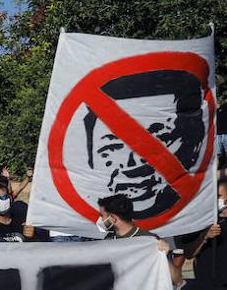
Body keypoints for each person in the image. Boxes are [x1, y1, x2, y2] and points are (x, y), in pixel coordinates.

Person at [83, 69, 208, 222]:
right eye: (113, 147)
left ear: (193, 144)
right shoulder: (97, 229)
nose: (132, 164)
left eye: (157, 141)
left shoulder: (194, 221)